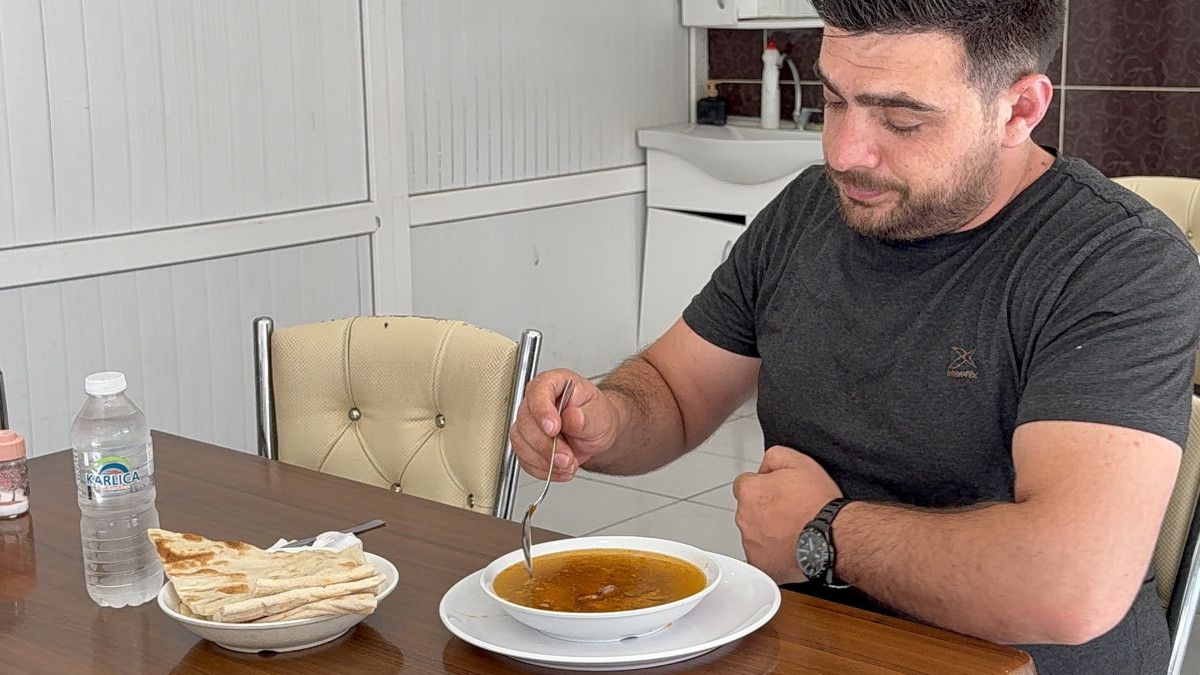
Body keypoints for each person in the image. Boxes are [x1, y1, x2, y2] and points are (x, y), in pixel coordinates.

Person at [509, 1, 1200, 672]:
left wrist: (823, 534)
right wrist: (605, 420)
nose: (844, 153)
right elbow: (674, 389)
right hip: (811, 645)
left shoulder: (1117, 264)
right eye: (834, 100)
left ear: (1019, 110)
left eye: (902, 119)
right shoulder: (808, 211)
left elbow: (1070, 584)